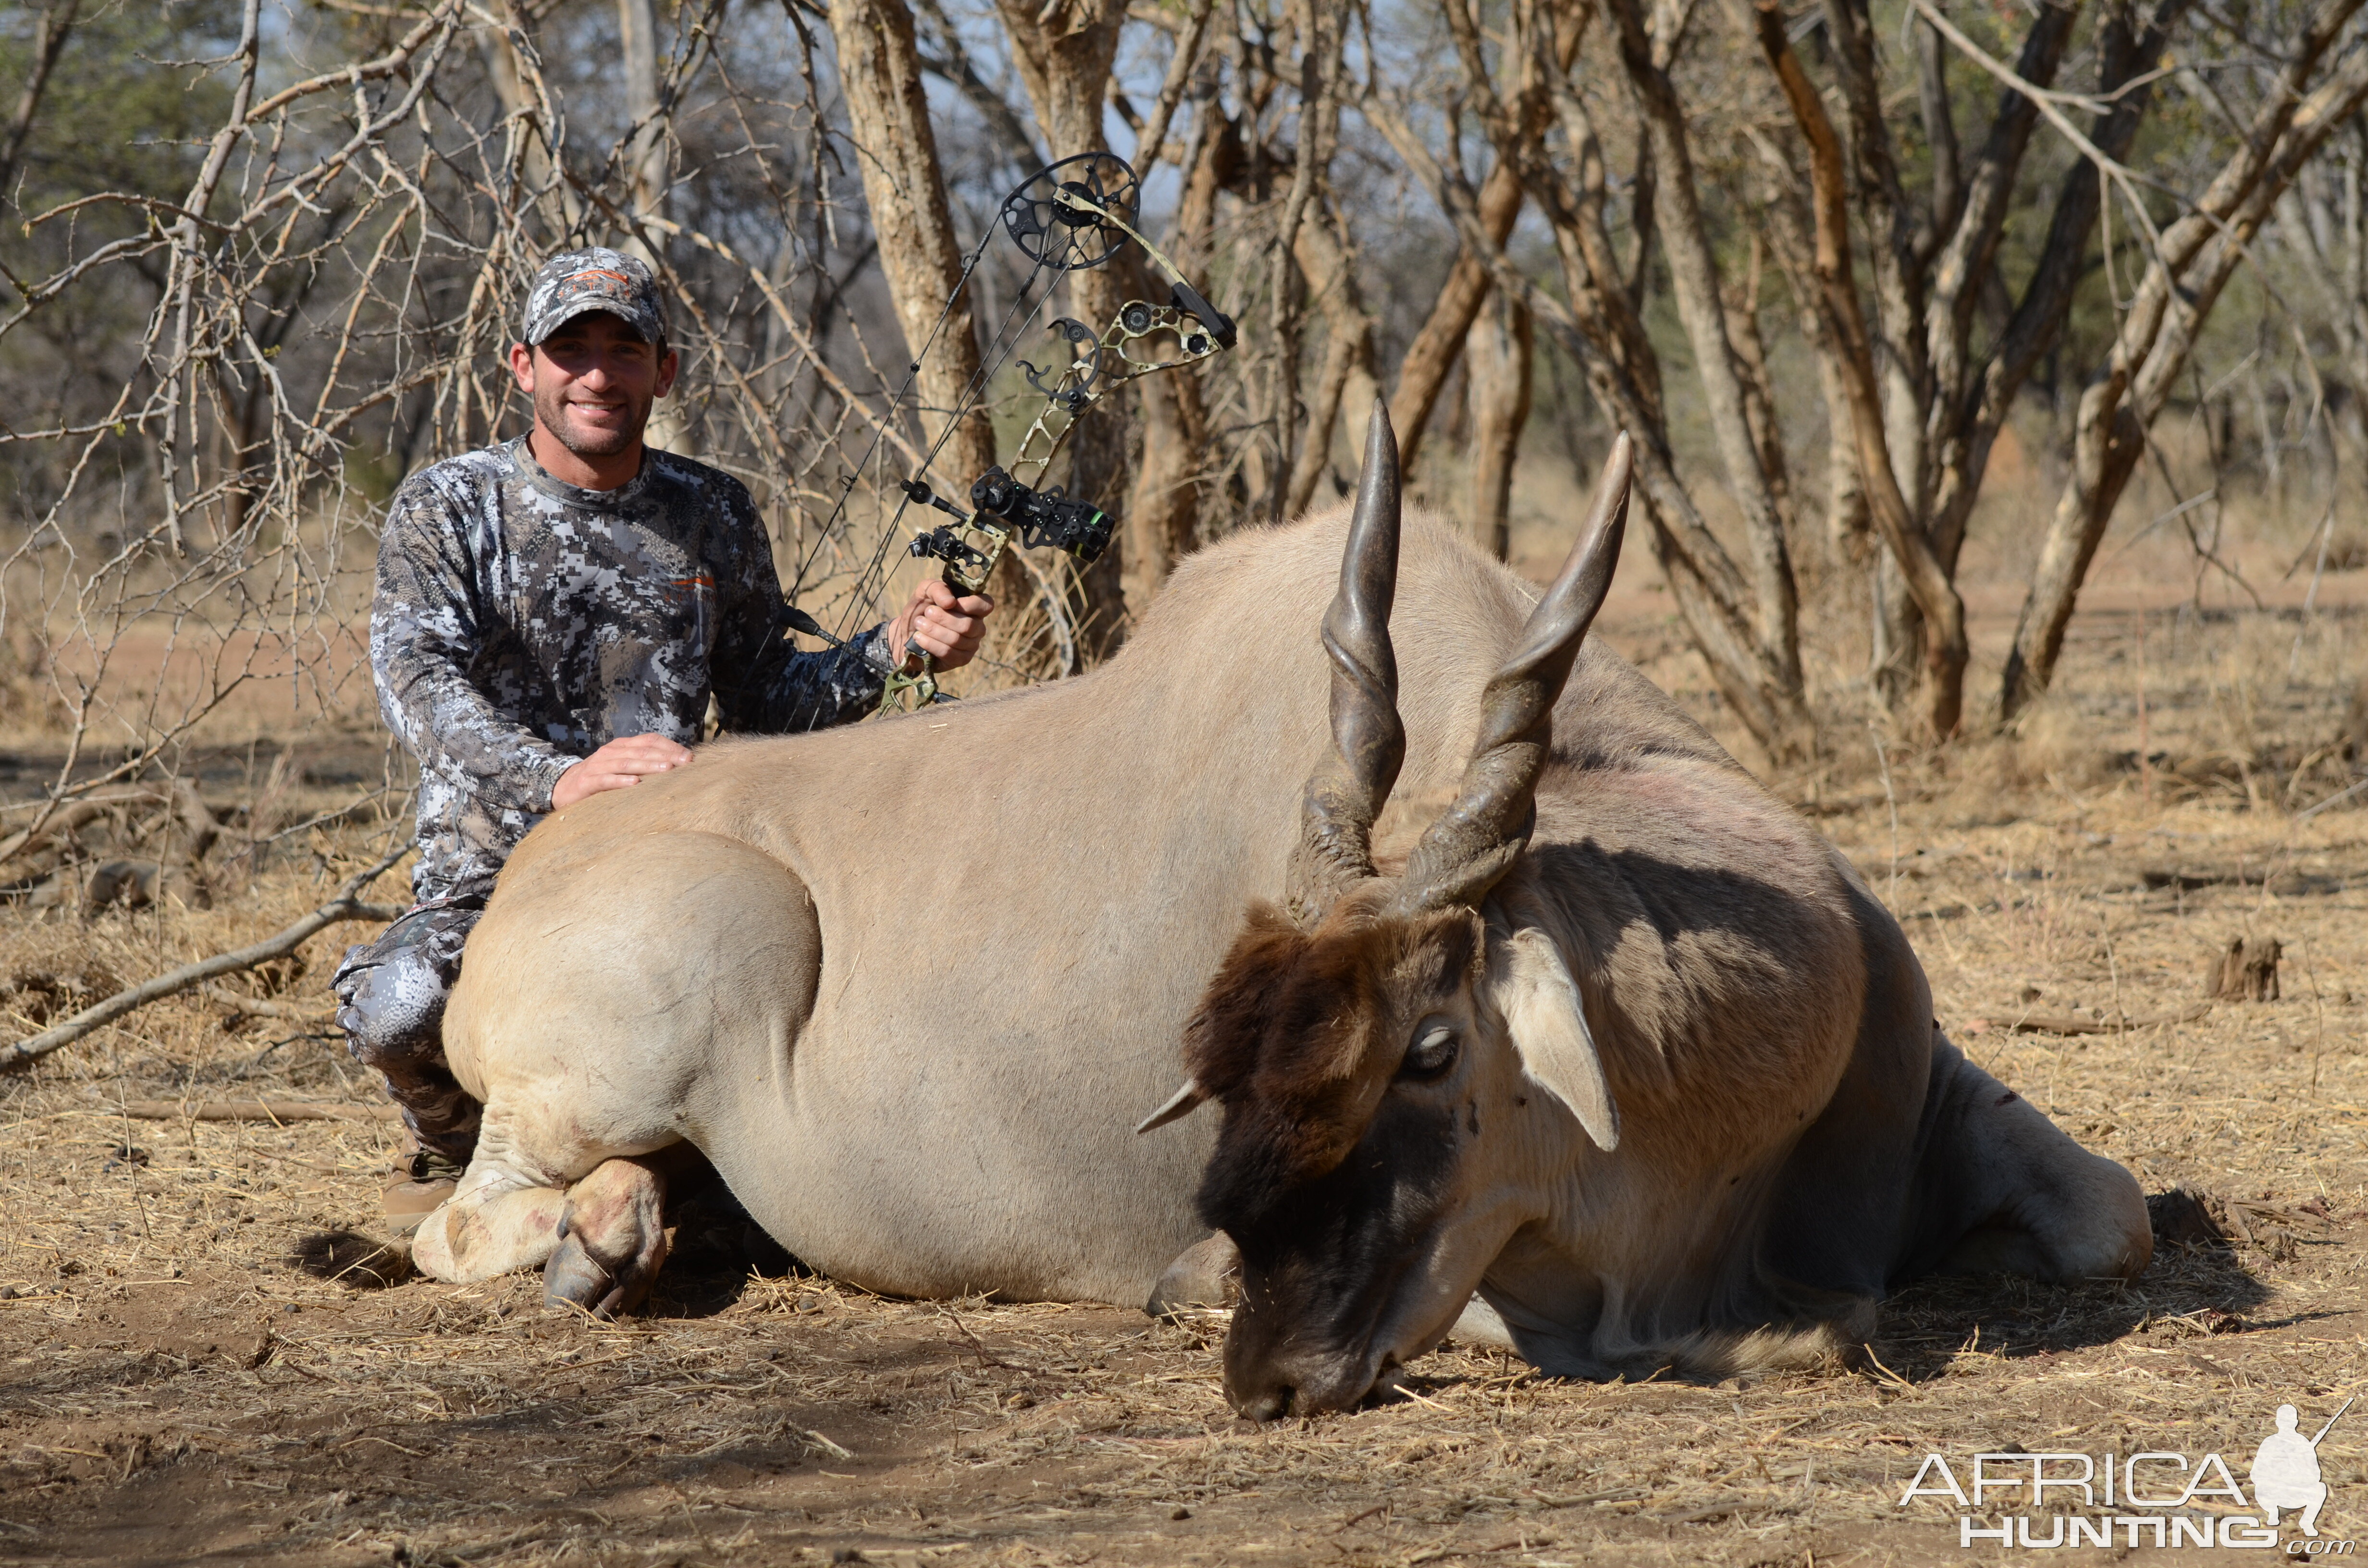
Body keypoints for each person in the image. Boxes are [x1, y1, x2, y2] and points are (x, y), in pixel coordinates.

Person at [333, 247, 993, 1232]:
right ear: (523, 367)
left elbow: (770, 696)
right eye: (572, 350)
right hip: (496, 883)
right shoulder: (449, 504)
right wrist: (561, 780)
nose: (598, 374)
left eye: (624, 349)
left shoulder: (713, 510)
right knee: (399, 1009)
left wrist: (893, 651)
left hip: (674, 882)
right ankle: (452, 1148)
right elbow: (419, 687)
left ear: (664, 371)